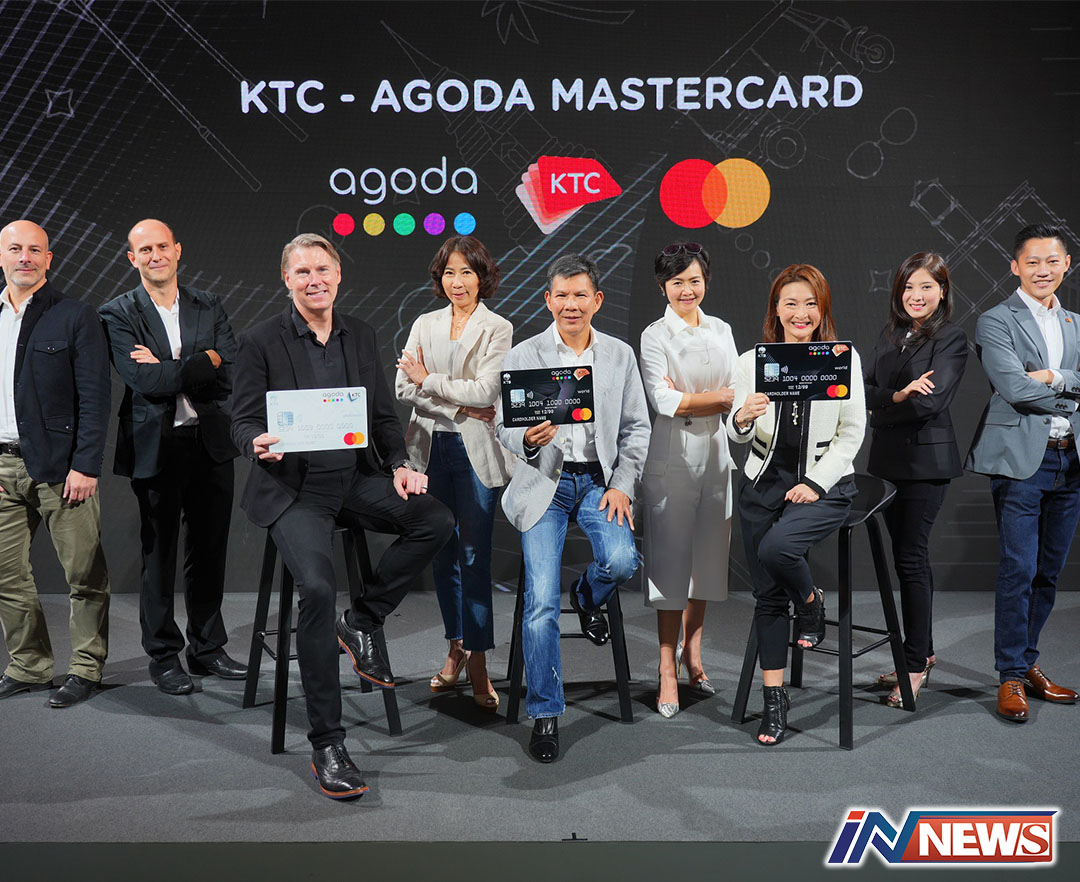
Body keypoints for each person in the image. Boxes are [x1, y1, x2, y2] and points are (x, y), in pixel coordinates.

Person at [231, 233, 454, 798]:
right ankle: (327, 743)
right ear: (287, 280)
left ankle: (361, 620)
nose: (315, 280)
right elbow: (241, 418)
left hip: (353, 478)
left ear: (337, 275)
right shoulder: (260, 340)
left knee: (434, 520)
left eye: (323, 269)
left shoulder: (360, 333)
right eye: (303, 271)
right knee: (316, 588)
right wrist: (255, 440)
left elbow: (382, 417)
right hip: (293, 489)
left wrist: (400, 464)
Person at [496, 253, 650, 763]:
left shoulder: (619, 355)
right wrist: (529, 441)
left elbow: (636, 429)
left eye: (580, 295)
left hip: (598, 483)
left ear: (597, 300)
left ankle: (586, 597)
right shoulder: (524, 355)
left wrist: (623, 484)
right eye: (561, 295)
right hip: (545, 481)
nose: (571, 304)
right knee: (540, 601)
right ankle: (546, 711)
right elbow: (503, 425)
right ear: (548, 300)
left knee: (622, 561)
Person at [99, 219, 246, 696]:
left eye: (163, 246)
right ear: (132, 258)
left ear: (178, 250)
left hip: (210, 442)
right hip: (156, 445)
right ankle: (163, 656)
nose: (155, 255)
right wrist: (202, 362)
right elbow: (144, 381)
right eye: (145, 249)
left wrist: (173, 367)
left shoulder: (208, 303)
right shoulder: (117, 312)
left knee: (209, 550)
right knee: (158, 556)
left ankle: (207, 647)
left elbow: (228, 369)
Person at [727, 264, 866, 745]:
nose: (800, 313)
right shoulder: (751, 362)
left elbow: (851, 433)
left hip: (824, 484)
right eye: (791, 303)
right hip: (762, 480)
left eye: (810, 303)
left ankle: (810, 603)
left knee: (776, 549)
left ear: (822, 309)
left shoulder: (842, 359)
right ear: (776, 309)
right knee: (767, 596)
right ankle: (774, 699)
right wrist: (742, 417)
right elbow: (736, 432)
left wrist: (815, 482)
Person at [395, 235, 514, 713]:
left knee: (474, 556)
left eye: (466, 272)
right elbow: (403, 387)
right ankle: (455, 647)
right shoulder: (425, 324)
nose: (457, 281)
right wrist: (456, 403)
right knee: (443, 555)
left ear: (482, 277)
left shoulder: (497, 327)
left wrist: (429, 380)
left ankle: (479, 659)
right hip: (428, 450)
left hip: (475, 453)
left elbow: (487, 392)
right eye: (449, 272)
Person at [966, 223, 1080, 723]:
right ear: (1015, 266)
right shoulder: (996, 320)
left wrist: (1054, 376)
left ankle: (1028, 662)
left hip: (1070, 460)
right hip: (1020, 463)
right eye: (1032, 261)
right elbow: (1013, 388)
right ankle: (1010, 674)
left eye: (1052, 261)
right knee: (1019, 569)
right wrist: (1074, 390)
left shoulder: (1076, 322)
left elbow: (1036, 384)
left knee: (1049, 572)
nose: (1042, 270)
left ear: (1066, 265)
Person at [0, 219, 111, 708]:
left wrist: (85, 466)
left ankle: (86, 668)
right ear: (1, 256)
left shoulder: (74, 315)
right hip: (2, 469)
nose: (24, 257)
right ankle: (29, 666)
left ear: (48, 259)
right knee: (6, 576)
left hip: (63, 471)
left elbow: (95, 397)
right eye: (15, 248)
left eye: (34, 250)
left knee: (84, 576)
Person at [863, 253, 968, 708]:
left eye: (926, 287)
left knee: (911, 558)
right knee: (904, 559)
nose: (916, 296)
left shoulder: (951, 338)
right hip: (888, 464)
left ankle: (914, 663)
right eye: (908, 287)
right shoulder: (890, 335)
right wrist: (898, 395)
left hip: (926, 465)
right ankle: (919, 652)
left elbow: (931, 402)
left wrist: (886, 407)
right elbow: (862, 390)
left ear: (942, 291)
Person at [638, 242, 737, 718]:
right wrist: (714, 398)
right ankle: (665, 669)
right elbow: (663, 401)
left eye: (694, 280)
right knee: (670, 565)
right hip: (671, 456)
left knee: (708, 564)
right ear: (663, 287)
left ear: (706, 282)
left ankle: (693, 656)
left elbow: (737, 392)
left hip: (717, 454)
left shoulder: (721, 329)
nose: (686, 290)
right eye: (676, 282)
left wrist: (696, 398)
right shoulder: (654, 335)